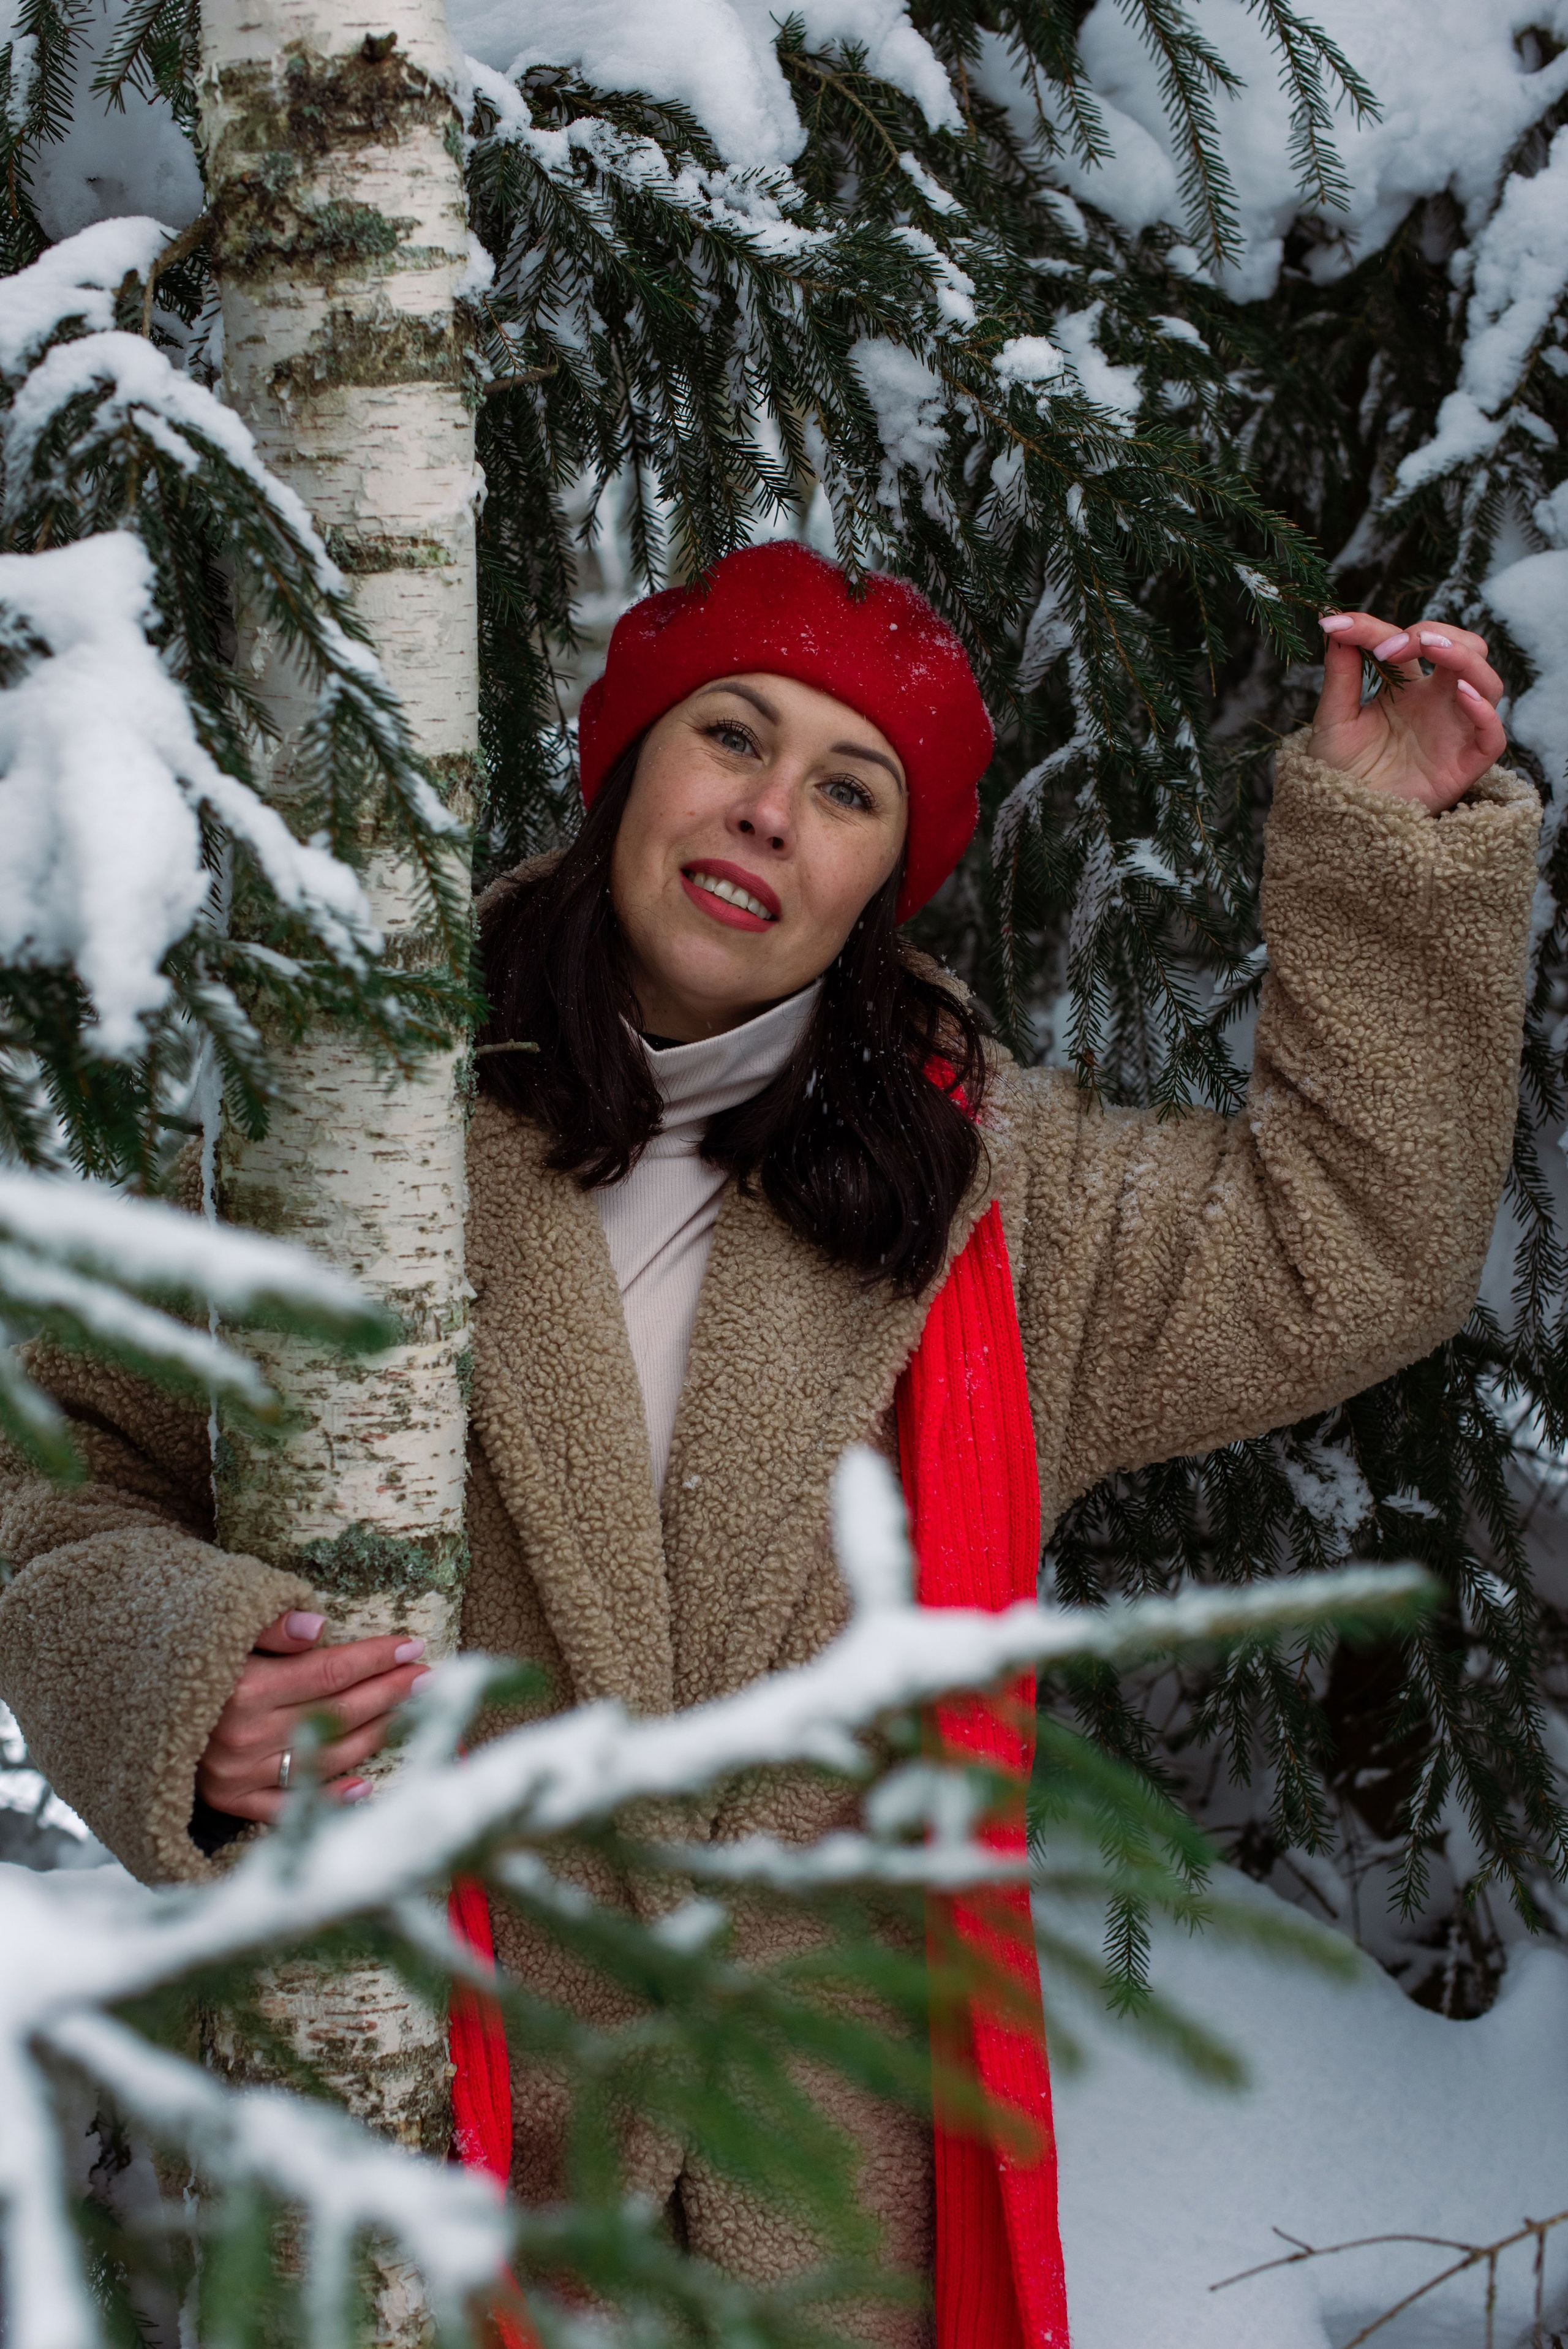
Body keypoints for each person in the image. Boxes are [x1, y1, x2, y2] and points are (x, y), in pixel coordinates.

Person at [0, 541, 1539, 2346]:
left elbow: (1351, 1241)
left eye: (847, 788)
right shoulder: (359, 1129)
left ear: (889, 870)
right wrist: (189, 1681)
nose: (767, 812)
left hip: (823, 2227)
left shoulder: (999, 1215)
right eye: (731, 733)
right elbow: (54, 1468)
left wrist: (1387, 867)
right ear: (630, 763)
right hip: (414, 2165)